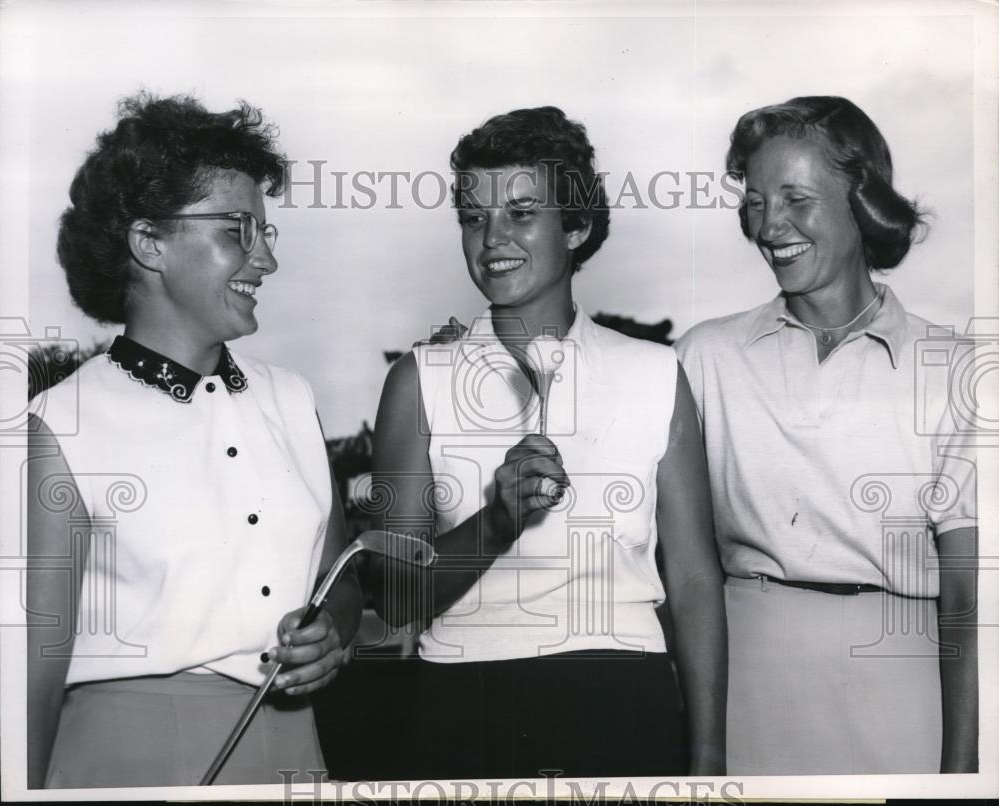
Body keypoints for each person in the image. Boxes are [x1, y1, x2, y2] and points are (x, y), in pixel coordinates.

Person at [369, 106, 726, 779]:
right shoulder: (417, 381)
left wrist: (708, 758)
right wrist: (497, 522)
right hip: (463, 705)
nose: (493, 238)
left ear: (578, 226)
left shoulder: (655, 372)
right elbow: (393, 595)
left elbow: (696, 580)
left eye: (522, 213)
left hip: (626, 698)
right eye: (474, 218)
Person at [26, 93, 363, 788]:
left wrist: (334, 631)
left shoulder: (291, 398)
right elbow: (27, 680)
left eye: (267, 233)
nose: (266, 259)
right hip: (127, 760)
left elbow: (342, 578)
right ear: (148, 242)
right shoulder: (60, 424)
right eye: (239, 230)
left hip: (296, 753)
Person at [675, 96, 978, 774]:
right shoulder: (703, 358)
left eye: (795, 199)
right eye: (754, 200)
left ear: (861, 201)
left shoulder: (957, 370)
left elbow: (970, 598)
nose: (768, 225)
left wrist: (964, 772)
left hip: (904, 689)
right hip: (743, 685)